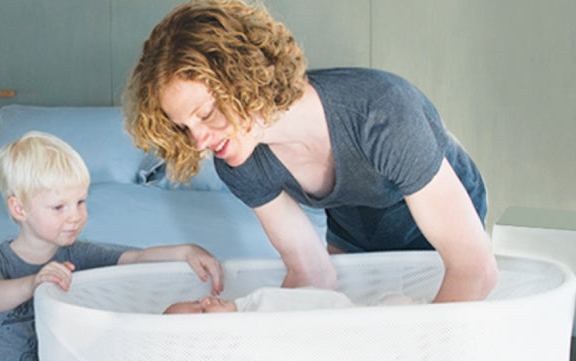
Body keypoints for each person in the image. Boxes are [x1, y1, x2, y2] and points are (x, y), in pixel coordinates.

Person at [122, 0, 498, 304]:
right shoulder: (239, 160)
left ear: (244, 79)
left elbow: (475, 270)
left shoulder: (383, 113)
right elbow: (311, 273)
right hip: (355, 227)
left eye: (206, 113)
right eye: (184, 128)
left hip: (433, 219)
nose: (200, 141)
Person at [0, 130, 224, 361]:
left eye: (81, 202)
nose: (75, 216)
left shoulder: (78, 256)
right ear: (19, 209)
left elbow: (134, 258)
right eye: (59, 207)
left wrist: (184, 251)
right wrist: (34, 283)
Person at [162, 286, 356, 314]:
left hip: (349, 310)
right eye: (202, 311)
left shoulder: (251, 301)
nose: (206, 300)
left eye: (198, 300)